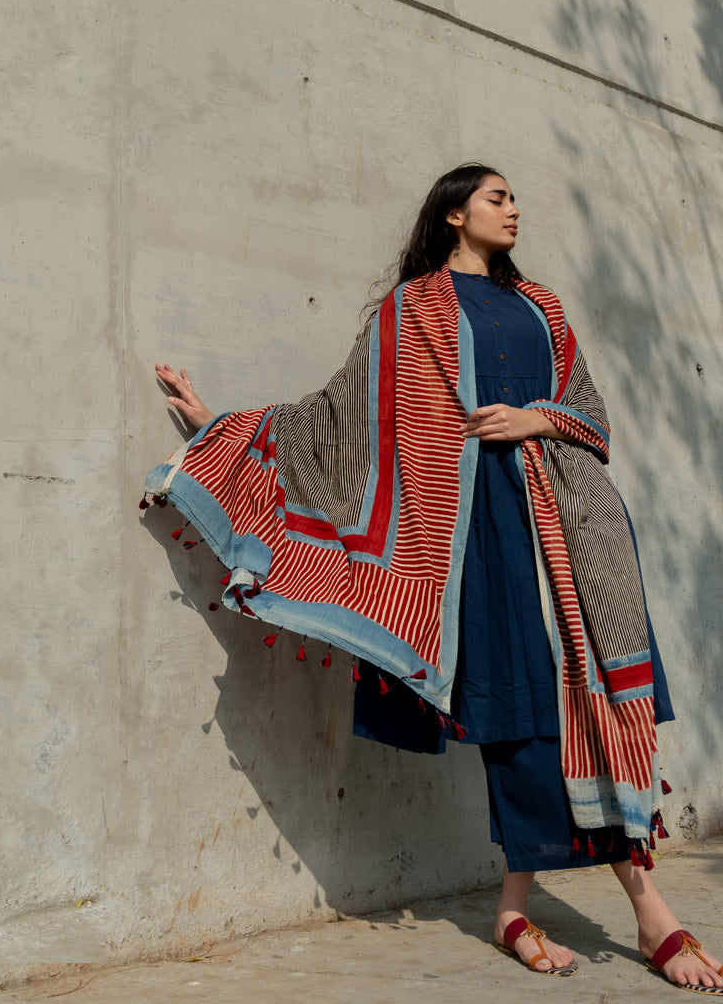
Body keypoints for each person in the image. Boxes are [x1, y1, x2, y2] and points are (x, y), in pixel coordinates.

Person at [150, 164, 723, 992]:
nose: (515, 208)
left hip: (572, 525)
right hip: (475, 528)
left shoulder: (544, 307)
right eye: (498, 197)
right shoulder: (413, 310)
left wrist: (538, 418)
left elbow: (592, 415)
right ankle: (645, 906)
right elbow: (340, 420)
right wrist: (218, 428)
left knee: (590, 693)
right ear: (455, 214)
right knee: (522, 703)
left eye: (516, 198)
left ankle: (520, 905)